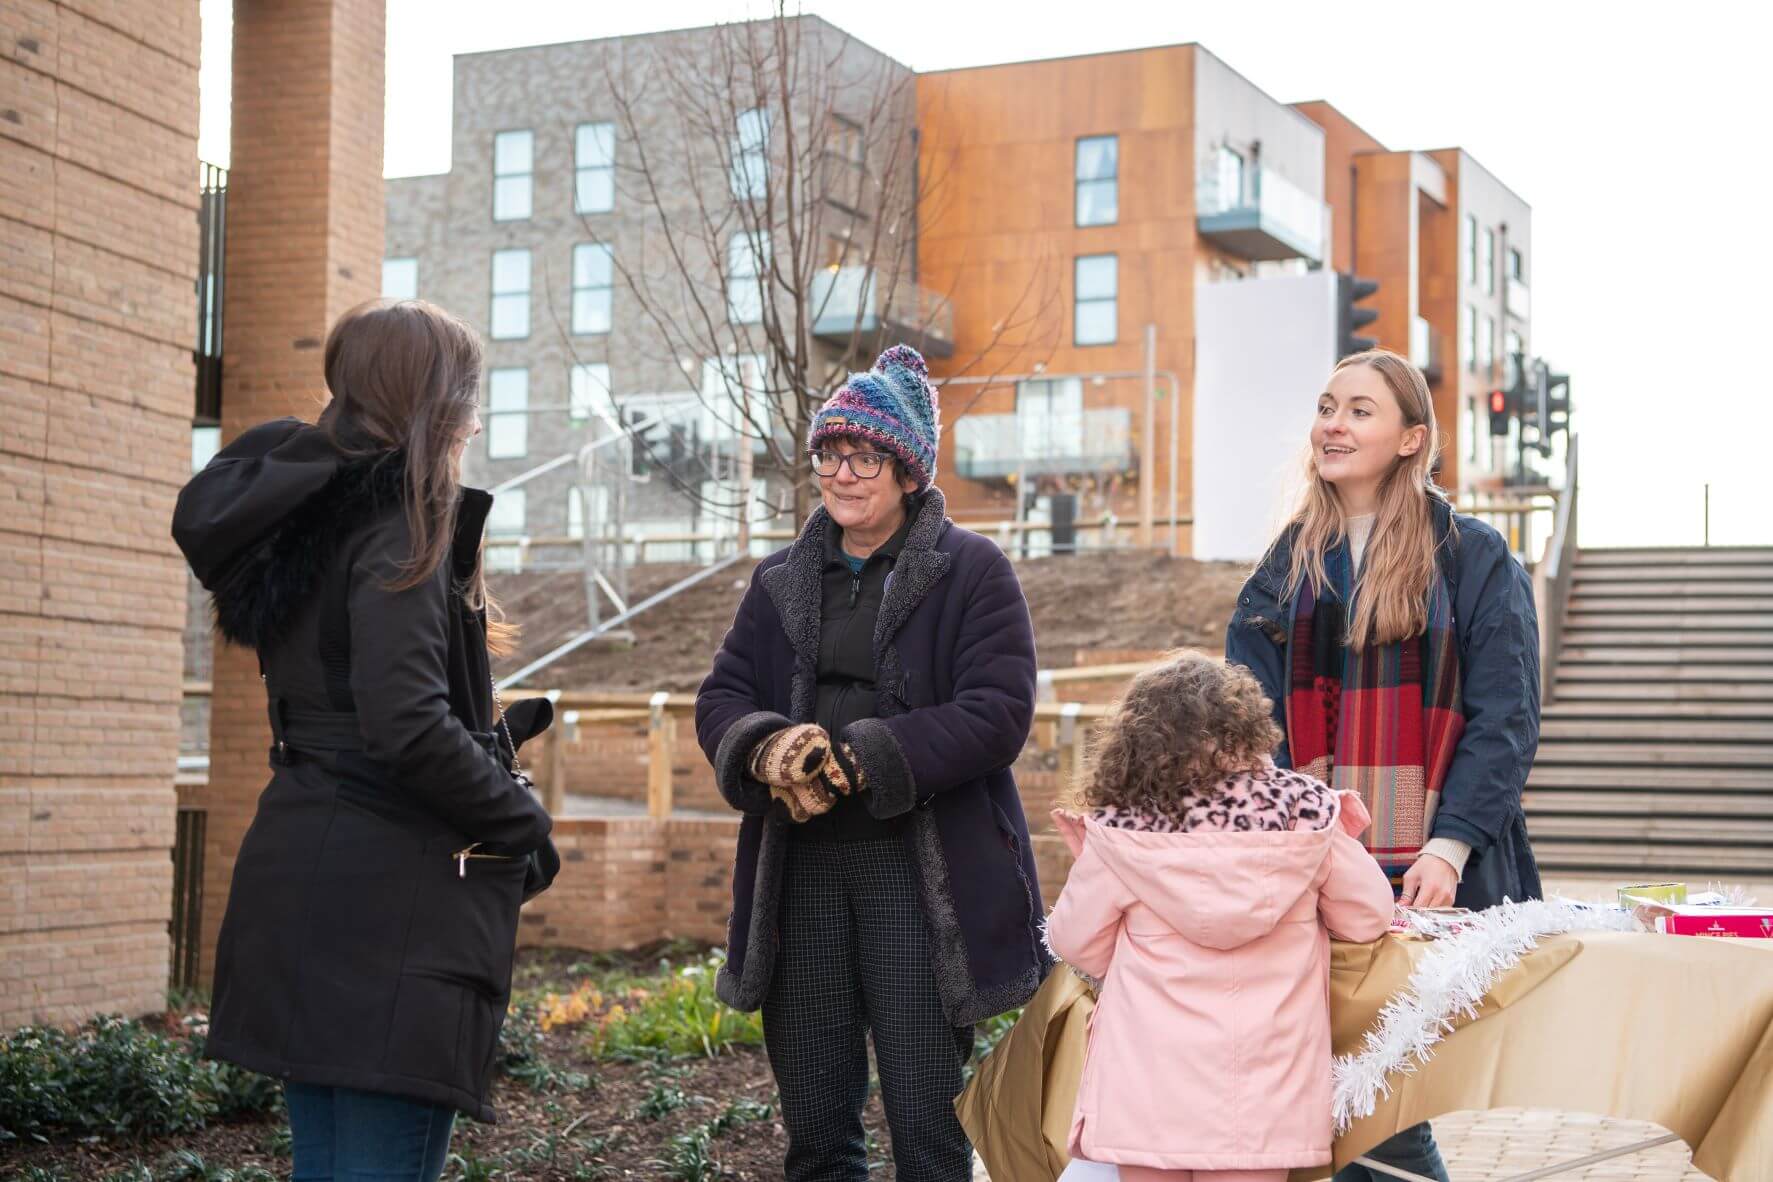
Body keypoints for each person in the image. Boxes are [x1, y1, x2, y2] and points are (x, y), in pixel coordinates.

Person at [171, 299, 560, 1182]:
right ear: (433, 399)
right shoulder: (397, 524)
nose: (473, 414)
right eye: (467, 393)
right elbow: (405, 724)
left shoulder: (305, 521)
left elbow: (353, 704)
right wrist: (521, 823)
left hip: (305, 872)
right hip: (391, 910)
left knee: (331, 1163)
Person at [695, 344, 1049, 1182]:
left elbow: (998, 713)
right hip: (801, 872)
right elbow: (720, 699)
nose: (841, 473)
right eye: (828, 453)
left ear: (906, 470)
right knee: (816, 1132)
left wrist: (861, 759)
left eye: (863, 456)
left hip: (918, 881)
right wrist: (767, 746)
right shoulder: (778, 577)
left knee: (928, 1126)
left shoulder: (972, 571)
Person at [1224, 347, 1543, 1181]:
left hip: (1431, 876)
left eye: (1359, 410)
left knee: (1380, 1099)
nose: (1331, 423)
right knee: (1353, 1100)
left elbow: (1504, 718)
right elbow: (1245, 723)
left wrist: (1452, 844)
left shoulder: (1473, 557)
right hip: (1311, 871)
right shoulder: (1283, 566)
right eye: (1327, 406)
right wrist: (1293, 844)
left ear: (1410, 438)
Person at [1046, 651, 1396, 1182]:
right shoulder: (1305, 812)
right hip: (1267, 1075)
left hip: (1147, 1074)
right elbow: (1369, 916)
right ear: (1246, 725)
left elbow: (1074, 940)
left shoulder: (1125, 829)